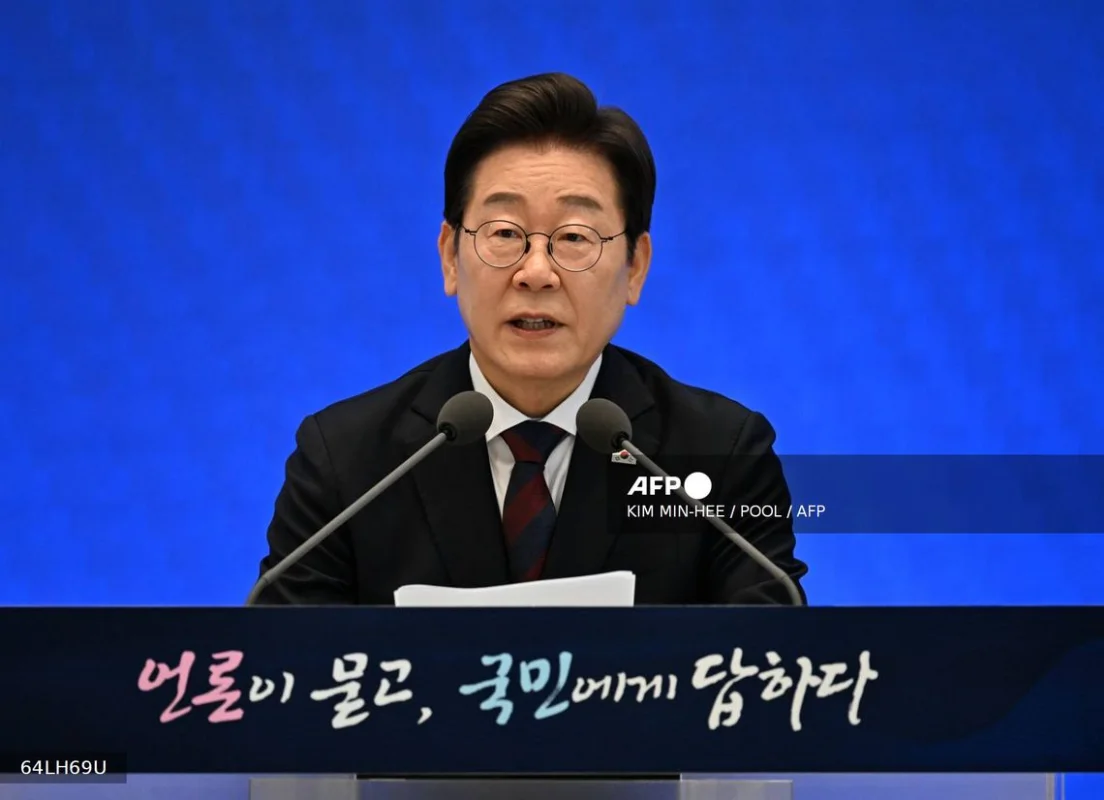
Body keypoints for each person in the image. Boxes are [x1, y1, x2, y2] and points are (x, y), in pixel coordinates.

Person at [256, 73, 807, 605]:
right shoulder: (346, 463)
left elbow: (770, 650)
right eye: (504, 233)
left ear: (635, 267)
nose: (536, 272)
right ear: (449, 256)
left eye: (575, 237)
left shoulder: (720, 456)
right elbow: (283, 658)